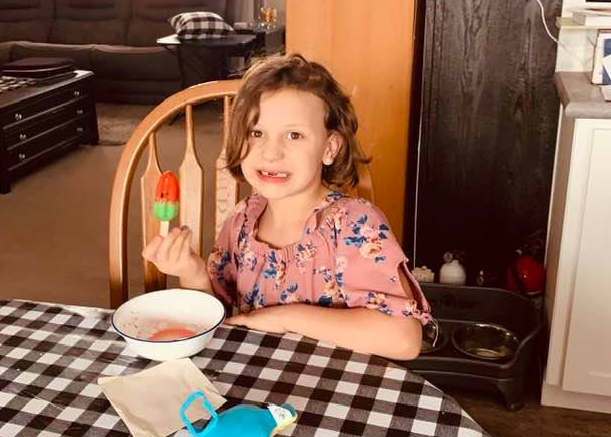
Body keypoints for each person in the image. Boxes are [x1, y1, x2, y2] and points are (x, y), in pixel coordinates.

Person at [142, 54, 430, 359]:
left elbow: (404, 339)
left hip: (329, 391)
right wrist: (194, 274)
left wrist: (284, 318)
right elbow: (219, 321)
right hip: (253, 381)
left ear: (329, 148)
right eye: (257, 133)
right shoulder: (242, 219)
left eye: (294, 135)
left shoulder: (353, 225)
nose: (271, 152)